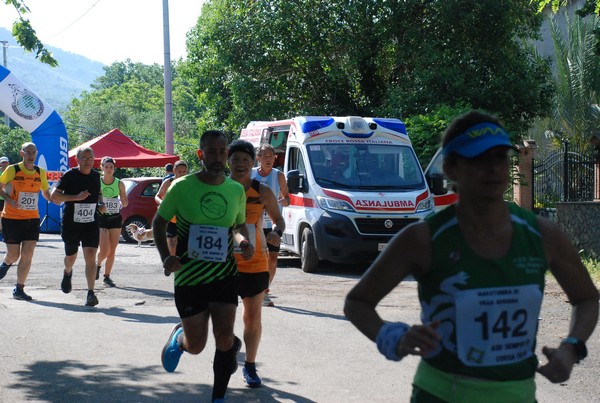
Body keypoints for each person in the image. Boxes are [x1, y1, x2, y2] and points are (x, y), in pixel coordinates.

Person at [344, 110, 599, 402]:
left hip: (516, 395)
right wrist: (394, 337)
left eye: (499, 157)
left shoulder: (541, 235)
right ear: (451, 167)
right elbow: (357, 303)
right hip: (441, 394)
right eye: (478, 158)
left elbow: (587, 298)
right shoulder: (423, 238)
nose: (492, 168)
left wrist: (572, 346)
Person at [153, 130, 254, 403]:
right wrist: (165, 257)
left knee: (223, 339)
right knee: (197, 346)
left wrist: (243, 241)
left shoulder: (235, 190)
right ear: (201, 154)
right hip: (189, 277)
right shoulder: (182, 186)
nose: (219, 157)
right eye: (212, 152)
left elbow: (238, 225)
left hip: (224, 274)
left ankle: (218, 398)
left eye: (223, 152)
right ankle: (180, 339)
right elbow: (158, 224)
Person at [229, 140, 285, 387]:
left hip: (254, 263)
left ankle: (250, 366)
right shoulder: (220, 189)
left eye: (245, 160)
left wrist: (276, 232)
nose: (241, 164)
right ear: (228, 161)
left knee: (252, 317)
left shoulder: (262, 191)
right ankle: (230, 347)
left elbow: (279, 220)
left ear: (253, 163)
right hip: (222, 263)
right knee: (223, 316)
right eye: (236, 159)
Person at [50, 146, 102, 307]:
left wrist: (101, 203)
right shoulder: (69, 175)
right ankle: (67, 272)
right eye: (84, 158)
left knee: (91, 257)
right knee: (71, 256)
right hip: (71, 223)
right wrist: (76, 197)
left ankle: (91, 293)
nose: (88, 161)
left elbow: (98, 192)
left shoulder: (95, 176)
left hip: (91, 222)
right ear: (77, 160)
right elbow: (54, 195)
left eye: (91, 158)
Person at [0, 143, 51, 300]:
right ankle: (5, 265)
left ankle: (19, 289)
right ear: (22, 153)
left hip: (32, 219)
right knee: (13, 255)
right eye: (27, 152)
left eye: (33, 152)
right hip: (12, 218)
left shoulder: (40, 172)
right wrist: (8, 199)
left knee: (28, 254)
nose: (31, 155)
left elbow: (45, 191)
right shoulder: (12, 170)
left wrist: (54, 198)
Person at [250, 144, 289, 307]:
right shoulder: (250, 175)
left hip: (273, 224)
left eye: (271, 157)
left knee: (272, 259)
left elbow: (287, 198)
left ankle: (264, 292)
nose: (268, 160)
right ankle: (249, 289)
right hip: (252, 224)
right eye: (265, 156)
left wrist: (284, 201)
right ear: (258, 158)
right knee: (251, 258)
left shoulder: (279, 176)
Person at [96, 156, 128, 287]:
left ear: (114, 169)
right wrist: (99, 205)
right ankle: (97, 266)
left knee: (112, 250)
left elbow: (124, 201)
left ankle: (107, 276)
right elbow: (94, 199)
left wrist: (124, 202)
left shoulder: (119, 183)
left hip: (115, 218)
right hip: (101, 218)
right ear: (102, 167)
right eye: (106, 167)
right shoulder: (97, 182)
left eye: (111, 167)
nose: (108, 169)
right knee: (104, 250)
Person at [155, 160, 189, 260]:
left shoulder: (189, 183)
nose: (182, 174)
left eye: (184, 172)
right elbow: (157, 196)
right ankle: (171, 260)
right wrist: (162, 203)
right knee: (171, 240)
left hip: (185, 217)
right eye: (180, 172)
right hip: (171, 217)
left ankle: (182, 261)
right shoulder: (168, 182)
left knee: (184, 241)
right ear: (174, 171)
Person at [0, 156, 10, 241]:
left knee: (5, 217)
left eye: (6, 162)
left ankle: (4, 233)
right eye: (3, 162)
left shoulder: (10, 172)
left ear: (8, 163)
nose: (4, 164)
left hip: (7, 197)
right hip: (0, 197)